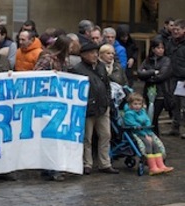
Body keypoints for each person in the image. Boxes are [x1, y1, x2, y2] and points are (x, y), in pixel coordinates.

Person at [71, 42, 119, 175]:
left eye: (95, 52)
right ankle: (87, 163)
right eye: (91, 53)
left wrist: (107, 100)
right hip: (87, 108)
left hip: (102, 106)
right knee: (87, 137)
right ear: (83, 55)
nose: (94, 55)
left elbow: (106, 84)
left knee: (106, 135)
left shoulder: (100, 66)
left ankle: (105, 163)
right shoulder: (78, 69)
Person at [34, 35, 71, 182]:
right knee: (50, 137)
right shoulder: (48, 58)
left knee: (56, 137)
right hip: (47, 102)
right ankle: (51, 168)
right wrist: (50, 76)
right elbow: (36, 74)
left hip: (59, 102)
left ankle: (51, 167)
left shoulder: (63, 60)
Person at [123, 92, 174, 175]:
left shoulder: (142, 112)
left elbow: (147, 120)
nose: (137, 106)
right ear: (130, 105)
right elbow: (132, 123)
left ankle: (161, 165)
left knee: (155, 145)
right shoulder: (129, 114)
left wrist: (147, 126)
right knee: (148, 145)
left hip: (147, 132)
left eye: (139, 104)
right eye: (135, 104)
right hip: (137, 133)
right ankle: (152, 167)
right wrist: (143, 131)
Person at [138, 36, 173, 135]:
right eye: (158, 48)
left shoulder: (166, 60)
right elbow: (140, 73)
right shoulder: (148, 60)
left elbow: (162, 75)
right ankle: (153, 137)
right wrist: (153, 72)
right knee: (150, 117)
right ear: (153, 49)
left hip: (160, 93)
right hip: (148, 92)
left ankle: (154, 137)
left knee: (154, 117)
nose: (160, 50)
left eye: (162, 48)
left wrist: (148, 75)